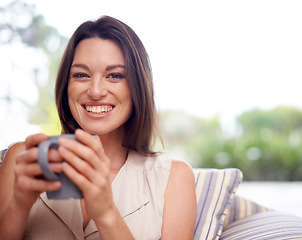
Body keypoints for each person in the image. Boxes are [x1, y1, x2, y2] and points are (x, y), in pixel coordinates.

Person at [0, 15, 197, 240]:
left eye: (115, 75)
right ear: (66, 86)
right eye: (81, 75)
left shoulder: (173, 178)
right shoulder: (23, 158)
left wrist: (106, 213)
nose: (95, 91)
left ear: (137, 87)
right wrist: (19, 205)